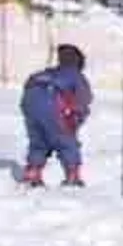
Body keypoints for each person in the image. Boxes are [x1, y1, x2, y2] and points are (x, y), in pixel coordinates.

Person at [22, 43, 93, 188]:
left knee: (39, 140)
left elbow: (29, 83)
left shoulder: (47, 72)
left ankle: (33, 172)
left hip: (30, 103)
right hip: (52, 104)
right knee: (66, 141)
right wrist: (76, 118)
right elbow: (84, 99)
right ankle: (72, 175)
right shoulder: (76, 76)